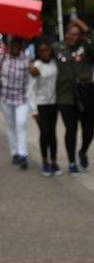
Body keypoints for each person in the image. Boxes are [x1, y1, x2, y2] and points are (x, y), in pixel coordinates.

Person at [54, 19, 94, 175]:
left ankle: (83, 151)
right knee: (71, 129)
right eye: (72, 34)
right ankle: (71, 162)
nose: (75, 37)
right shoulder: (58, 48)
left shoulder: (85, 47)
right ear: (67, 34)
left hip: (86, 93)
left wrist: (86, 28)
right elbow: (42, 56)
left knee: (89, 130)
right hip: (66, 96)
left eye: (78, 35)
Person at [0, 37, 31, 169]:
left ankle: (23, 155)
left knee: (21, 124)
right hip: (5, 98)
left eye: (18, 44)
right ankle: (14, 153)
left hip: (21, 99)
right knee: (10, 126)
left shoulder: (27, 60)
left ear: (22, 46)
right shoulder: (3, 57)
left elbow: (33, 77)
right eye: (13, 44)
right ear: (9, 45)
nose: (15, 47)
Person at [28, 39, 61, 177]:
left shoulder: (55, 64)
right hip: (41, 105)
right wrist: (34, 110)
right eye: (41, 51)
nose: (44, 53)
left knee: (52, 133)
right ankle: (45, 161)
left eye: (46, 50)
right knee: (44, 132)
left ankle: (54, 161)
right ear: (38, 53)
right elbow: (31, 90)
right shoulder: (36, 66)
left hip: (53, 103)